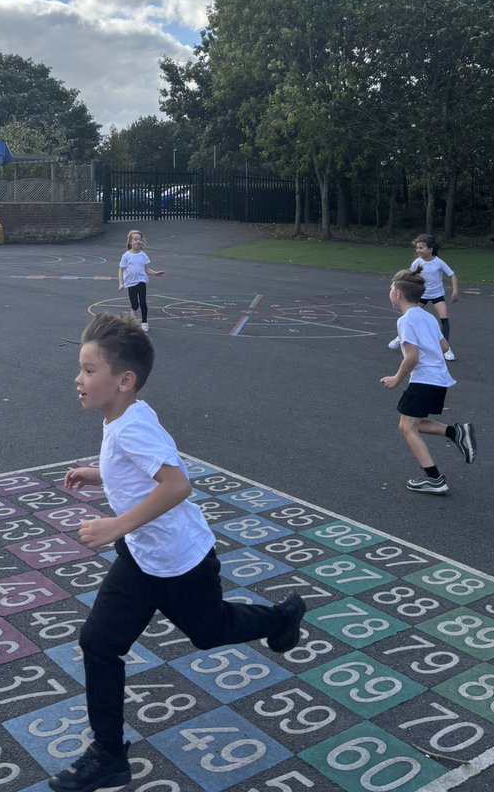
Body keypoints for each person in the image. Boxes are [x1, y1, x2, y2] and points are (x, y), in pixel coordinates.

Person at [51, 313, 306, 792]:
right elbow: (141, 471)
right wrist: (99, 473)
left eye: (88, 370)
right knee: (99, 643)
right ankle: (109, 756)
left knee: (210, 633)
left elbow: (177, 484)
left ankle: (280, 618)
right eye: (80, 368)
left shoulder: (130, 427)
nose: (78, 379)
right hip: (142, 557)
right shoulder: (123, 417)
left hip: (180, 560)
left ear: (124, 381)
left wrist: (115, 526)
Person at [381, 268, 476, 495]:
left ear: (398, 295)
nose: (390, 292)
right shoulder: (428, 317)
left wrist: (396, 378)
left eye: (391, 289)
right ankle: (456, 433)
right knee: (415, 424)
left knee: (407, 427)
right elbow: (444, 347)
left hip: (424, 380)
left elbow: (411, 357)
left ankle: (434, 479)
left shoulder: (406, 321)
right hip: (439, 380)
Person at [389, 234, 459, 360]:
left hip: (437, 295)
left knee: (444, 319)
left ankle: (446, 349)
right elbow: (409, 277)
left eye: (421, 248)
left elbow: (452, 275)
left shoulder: (438, 262)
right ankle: (400, 338)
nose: (418, 250)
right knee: (408, 317)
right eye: (417, 248)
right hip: (421, 295)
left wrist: (455, 292)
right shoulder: (417, 263)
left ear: (430, 249)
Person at [117, 229, 164, 332]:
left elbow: (147, 269)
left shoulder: (143, 255)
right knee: (135, 304)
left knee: (143, 302)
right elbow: (121, 270)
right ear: (130, 242)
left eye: (139, 239)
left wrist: (155, 273)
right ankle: (133, 312)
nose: (137, 241)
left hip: (141, 280)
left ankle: (144, 322)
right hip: (130, 282)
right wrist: (121, 283)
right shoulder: (126, 256)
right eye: (135, 239)